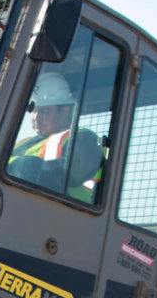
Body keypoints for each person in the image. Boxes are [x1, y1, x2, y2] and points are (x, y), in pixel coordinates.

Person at [7, 72, 104, 203]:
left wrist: (24, 167)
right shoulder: (22, 143)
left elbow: (66, 175)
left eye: (44, 111)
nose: (36, 117)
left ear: (64, 111)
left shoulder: (84, 140)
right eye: (34, 110)